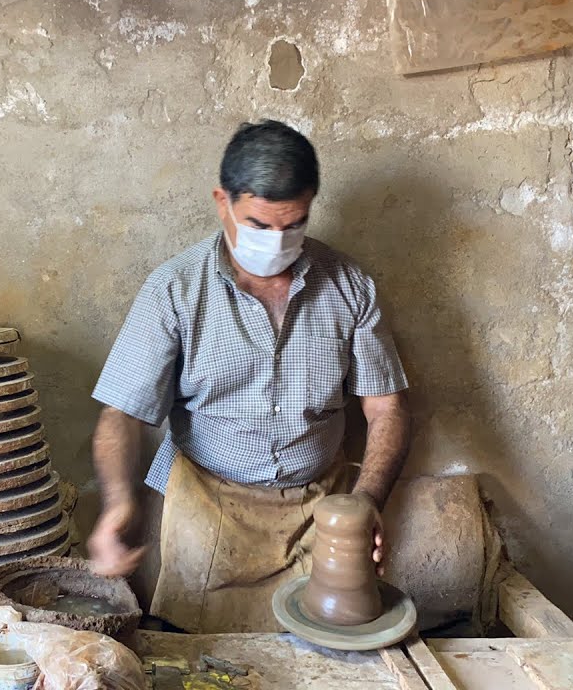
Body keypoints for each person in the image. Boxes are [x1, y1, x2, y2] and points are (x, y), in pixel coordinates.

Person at [87, 120, 411, 633]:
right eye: (259, 226)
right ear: (223, 202)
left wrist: (367, 501)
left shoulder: (350, 287)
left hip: (318, 509)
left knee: (321, 645)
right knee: (202, 655)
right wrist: (119, 505)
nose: (277, 243)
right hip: (206, 506)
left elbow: (386, 407)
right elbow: (121, 414)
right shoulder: (174, 289)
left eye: (294, 225)